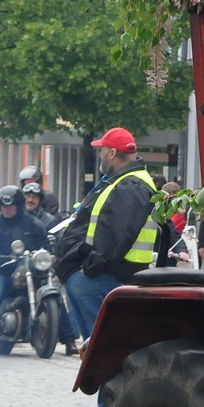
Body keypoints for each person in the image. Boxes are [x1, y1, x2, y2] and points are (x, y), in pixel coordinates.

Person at [62, 128, 159, 347]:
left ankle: (103, 373)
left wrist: (90, 266)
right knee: (93, 337)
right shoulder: (124, 181)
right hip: (113, 270)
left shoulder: (131, 185)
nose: (100, 155)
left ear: (113, 153)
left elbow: (118, 234)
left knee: (101, 342)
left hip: (114, 273)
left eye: (102, 151)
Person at [0, 185, 50, 357]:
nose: (5, 209)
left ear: (18, 206)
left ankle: (69, 340)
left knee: (50, 294)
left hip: (30, 270)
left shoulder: (33, 223)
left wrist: (45, 257)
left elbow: (46, 247)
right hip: (2, 270)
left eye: (9, 206)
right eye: (2, 206)